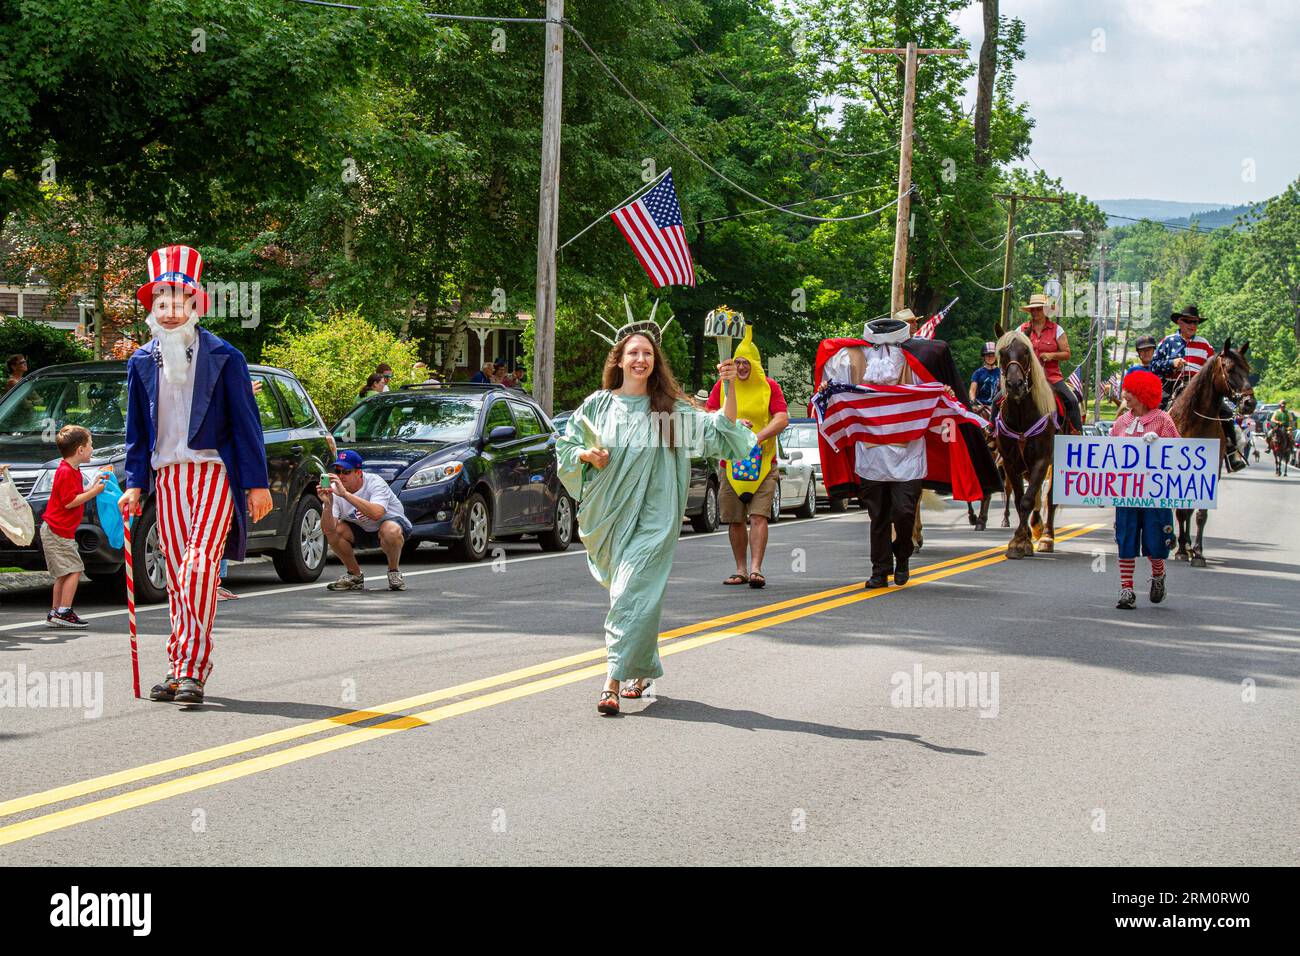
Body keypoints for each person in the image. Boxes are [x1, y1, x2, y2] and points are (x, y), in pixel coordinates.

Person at [556, 302, 756, 715]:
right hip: (608, 518)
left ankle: (610, 681)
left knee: (629, 591)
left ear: (655, 362)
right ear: (620, 359)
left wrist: (730, 385)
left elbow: (721, 430)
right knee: (634, 595)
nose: (641, 359)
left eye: (648, 353)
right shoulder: (598, 405)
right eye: (634, 352)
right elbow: (566, 447)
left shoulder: (667, 410)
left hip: (655, 520)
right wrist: (586, 456)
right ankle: (641, 669)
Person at [118, 245, 273, 705]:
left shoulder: (226, 356)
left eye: (178, 300)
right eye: (159, 301)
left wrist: (257, 482)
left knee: (198, 566)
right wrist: (133, 483)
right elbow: (136, 429)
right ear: (152, 308)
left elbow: (247, 423)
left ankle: (192, 669)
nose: (168, 311)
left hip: (212, 471)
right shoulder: (142, 360)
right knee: (177, 574)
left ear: (194, 304)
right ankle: (179, 668)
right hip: (167, 479)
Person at [705, 325, 788, 588]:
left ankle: (756, 570)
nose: (741, 367)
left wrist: (758, 437)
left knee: (759, 516)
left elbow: (782, 417)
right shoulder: (723, 386)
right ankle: (740, 569)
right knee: (735, 519)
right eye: (737, 362)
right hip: (730, 463)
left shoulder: (769, 387)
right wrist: (733, 423)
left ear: (755, 364)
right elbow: (709, 416)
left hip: (764, 463)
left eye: (746, 363)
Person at [1109, 370, 1180, 610]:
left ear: (1142, 393)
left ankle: (1158, 574)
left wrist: (1159, 444)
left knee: (1156, 539)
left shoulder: (1162, 419)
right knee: (1126, 539)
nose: (1125, 395)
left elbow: (1180, 454)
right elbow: (1105, 457)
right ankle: (1127, 589)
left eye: (1130, 391)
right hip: (1127, 494)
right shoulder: (1121, 422)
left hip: (1155, 494)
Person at [40, 425, 111, 628]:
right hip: (57, 531)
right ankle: (64, 610)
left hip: (58, 531)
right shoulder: (65, 472)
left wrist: (92, 485)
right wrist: (95, 492)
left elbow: (75, 494)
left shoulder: (72, 470)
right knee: (74, 570)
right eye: (90, 445)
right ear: (80, 450)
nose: (92, 449)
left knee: (64, 572)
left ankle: (56, 611)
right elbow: (70, 502)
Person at [318, 449, 411, 592]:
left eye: (346, 471)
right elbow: (327, 530)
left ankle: (394, 572)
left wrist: (345, 495)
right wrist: (328, 505)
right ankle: (354, 575)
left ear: (358, 473)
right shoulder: (333, 490)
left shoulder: (374, 482)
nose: (341, 476)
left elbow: (376, 514)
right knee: (336, 530)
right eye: (338, 471)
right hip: (361, 530)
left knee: (390, 530)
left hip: (391, 525)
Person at [1018, 292, 1082, 434]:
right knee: (999, 399)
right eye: (1033, 309)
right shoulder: (1021, 330)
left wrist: (1052, 355)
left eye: (1039, 308)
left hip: (1051, 377)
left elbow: (1067, 353)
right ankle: (992, 432)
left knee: (1071, 401)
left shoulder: (1057, 330)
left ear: (1046, 310)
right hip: (1026, 378)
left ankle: (1077, 434)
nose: (1035, 312)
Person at [969, 341, 1001, 415]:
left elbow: (1003, 390)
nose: (990, 357)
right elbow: (972, 391)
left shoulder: (1001, 372)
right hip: (980, 405)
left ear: (996, 356)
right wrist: (973, 403)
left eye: (992, 355)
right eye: (988, 355)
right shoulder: (977, 373)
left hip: (996, 406)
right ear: (984, 357)